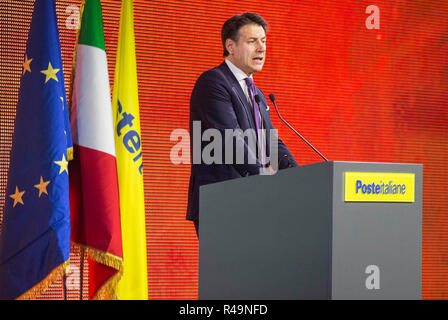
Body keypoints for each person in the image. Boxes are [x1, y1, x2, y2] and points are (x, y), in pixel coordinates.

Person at [186, 12, 298, 237]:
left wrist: (300, 179)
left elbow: (272, 143)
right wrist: (265, 179)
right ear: (231, 46)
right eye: (252, 41)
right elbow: (229, 139)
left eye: (264, 41)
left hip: (251, 201)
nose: (261, 48)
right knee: (228, 272)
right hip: (221, 201)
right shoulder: (214, 82)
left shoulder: (256, 93)